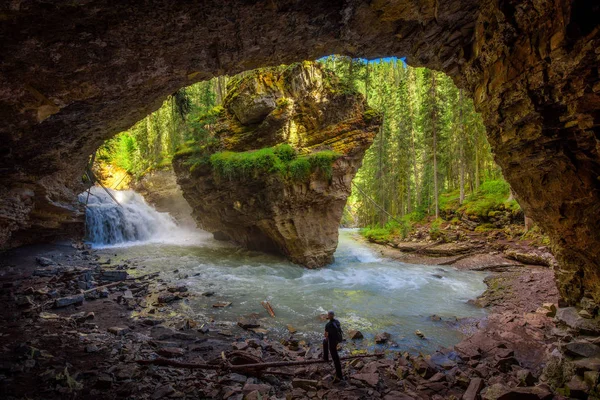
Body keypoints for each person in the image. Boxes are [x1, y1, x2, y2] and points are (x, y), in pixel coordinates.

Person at [323, 310, 344, 381]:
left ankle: (339, 375)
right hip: (337, 340)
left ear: (329, 316)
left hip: (332, 342)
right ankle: (326, 358)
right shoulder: (337, 322)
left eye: (328, 315)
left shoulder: (328, 325)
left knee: (335, 357)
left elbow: (326, 335)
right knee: (333, 352)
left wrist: (326, 339)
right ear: (333, 315)